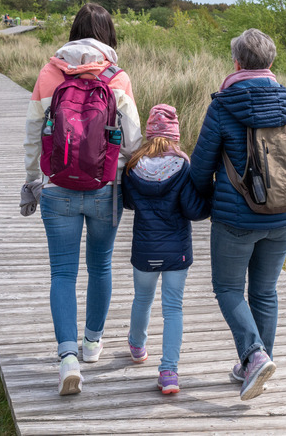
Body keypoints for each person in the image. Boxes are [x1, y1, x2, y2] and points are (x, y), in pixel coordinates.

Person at [189, 28, 286, 401]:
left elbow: (199, 169)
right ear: (271, 63)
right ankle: (256, 364)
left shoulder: (223, 104)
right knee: (264, 291)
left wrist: (212, 199)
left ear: (237, 62)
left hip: (236, 220)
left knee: (228, 288)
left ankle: (254, 355)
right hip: (285, 216)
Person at [22, 3, 142, 396]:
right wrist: (121, 176)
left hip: (57, 187)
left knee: (62, 273)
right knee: (100, 265)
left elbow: (32, 131)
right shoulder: (116, 76)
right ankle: (92, 344)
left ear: (74, 31)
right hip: (106, 189)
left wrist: (31, 181)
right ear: (108, 34)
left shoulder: (50, 72)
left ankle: (67, 358)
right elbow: (134, 139)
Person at [122, 104, 209, 395]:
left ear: (148, 134)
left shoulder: (133, 165)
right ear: (175, 135)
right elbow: (191, 209)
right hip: (177, 251)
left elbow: (129, 203)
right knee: (173, 308)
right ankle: (169, 372)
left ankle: (136, 347)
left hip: (145, 249)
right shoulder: (183, 165)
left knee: (142, 299)